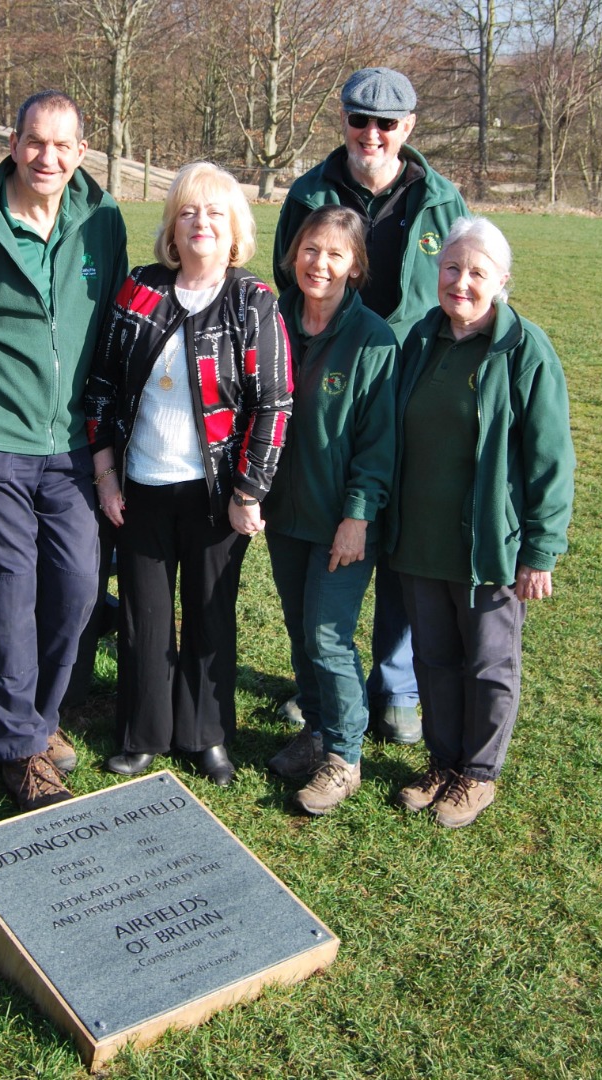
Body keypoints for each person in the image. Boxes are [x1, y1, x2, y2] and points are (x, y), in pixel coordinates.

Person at [0, 90, 128, 812]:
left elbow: (110, 329)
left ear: (80, 151)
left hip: (71, 447)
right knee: (3, 598)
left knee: (75, 589)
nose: (47, 157)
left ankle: (37, 721)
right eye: (34, 142)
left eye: (62, 145)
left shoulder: (100, 222)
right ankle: (17, 751)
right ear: (12, 143)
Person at [273, 66, 469, 747]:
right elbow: (288, 280)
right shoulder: (309, 193)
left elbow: (464, 289)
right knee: (335, 529)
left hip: (415, 386)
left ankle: (396, 684)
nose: (372, 134)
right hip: (340, 382)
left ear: (407, 128)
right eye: (360, 120)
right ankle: (316, 687)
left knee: (401, 542)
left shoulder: (443, 201)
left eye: (387, 123)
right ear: (344, 121)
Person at [86, 162, 292, 786]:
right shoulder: (139, 290)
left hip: (216, 497)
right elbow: (101, 383)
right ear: (172, 229)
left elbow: (273, 403)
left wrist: (249, 490)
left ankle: (206, 734)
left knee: (210, 616)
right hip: (141, 488)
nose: (200, 223)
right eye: (187, 213)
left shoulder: (253, 301)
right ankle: (143, 733)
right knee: (144, 621)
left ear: (235, 231)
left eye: (214, 214)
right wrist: (104, 472)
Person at [390, 217, 575, 827]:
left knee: (491, 662)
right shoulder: (422, 337)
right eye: (451, 268)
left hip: (489, 546)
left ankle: (478, 773)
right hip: (420, 538)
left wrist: (541, 550)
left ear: (501, 281)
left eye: (477, 272)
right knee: (434, 659)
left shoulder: (525, 351)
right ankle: (443, 761)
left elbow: (551, 457)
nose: (461, 282)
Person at [263, 206, 398, 815]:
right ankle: (317, 731)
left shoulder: (372, 338)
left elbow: (379, 443)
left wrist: (358, 516)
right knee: (299, 629)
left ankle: (344, 755)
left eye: (335, 255)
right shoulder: (270, 317)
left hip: (344, 520)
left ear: (355, 267)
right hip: (284, 512)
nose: (320, 264)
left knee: (327, 634)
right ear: (293, 254)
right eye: (311, 250)